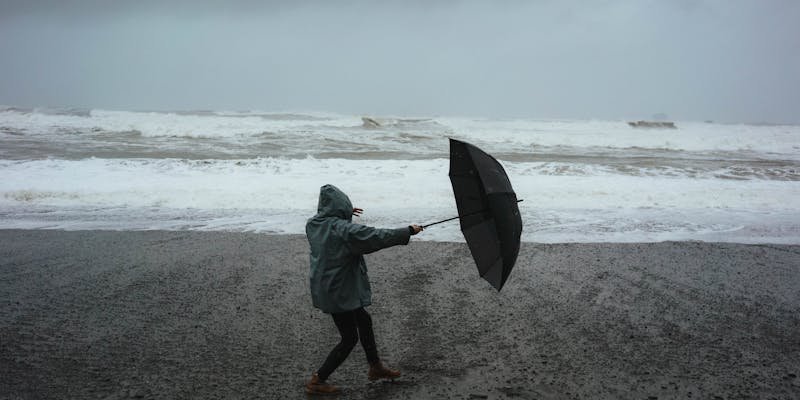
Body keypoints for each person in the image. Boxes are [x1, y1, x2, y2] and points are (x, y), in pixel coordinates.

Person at [305, 184, 423, 395]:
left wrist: (344, 213)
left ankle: (375, 367)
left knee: (364, 319)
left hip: (327, 286)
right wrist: (408, 231)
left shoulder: (314, 225)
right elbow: (375, 236)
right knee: (349, 338)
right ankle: (318, 380)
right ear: (340, 207)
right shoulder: (343, 230)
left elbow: (332, 224)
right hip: (339, 291)